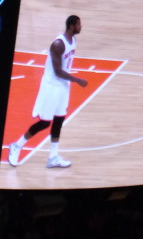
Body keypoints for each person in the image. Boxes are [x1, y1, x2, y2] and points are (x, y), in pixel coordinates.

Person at [7, 15, 88, 168]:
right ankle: (17, 146)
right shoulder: (58, 44)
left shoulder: (73, 41)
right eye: (78, 24)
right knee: (45, 122)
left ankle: (53, 157)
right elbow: (58, 71)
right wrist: (77, 80)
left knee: (59, 121)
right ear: (71, 26)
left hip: (63, 86)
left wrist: (71, 81)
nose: (80, 26)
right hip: (51, 86)